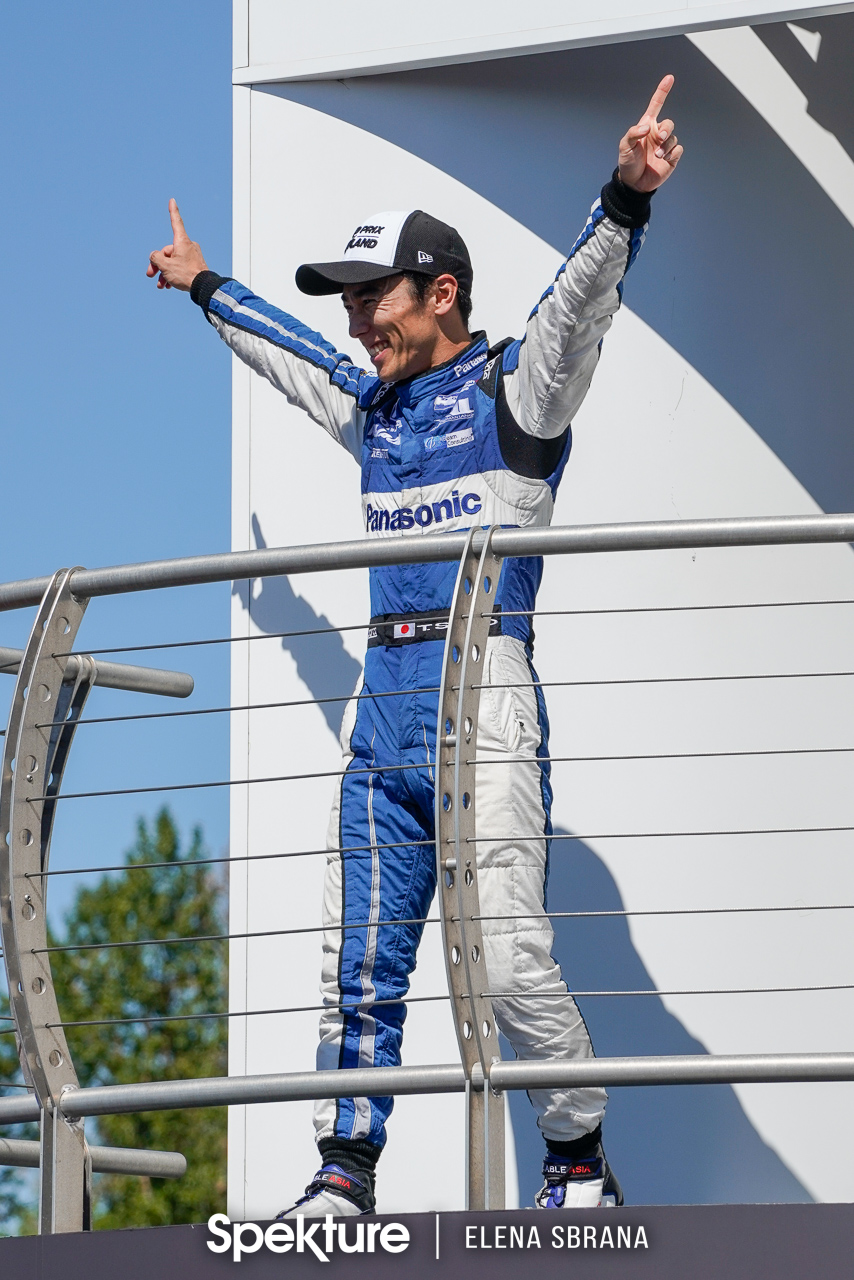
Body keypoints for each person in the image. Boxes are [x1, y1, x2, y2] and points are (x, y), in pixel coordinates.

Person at [148, 77, 682, 1216]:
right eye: (346, 299)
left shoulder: (513, 396)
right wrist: (205, 287)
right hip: (382, 707)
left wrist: (624, 198)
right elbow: (291, 355)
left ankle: (576, 1158)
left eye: (370, 296)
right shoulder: (373, 408)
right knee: (360, 959)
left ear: (440, 292)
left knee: (506, 950)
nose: (354, 319)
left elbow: (572, 309)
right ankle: (343, 1174)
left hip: (486, 687)